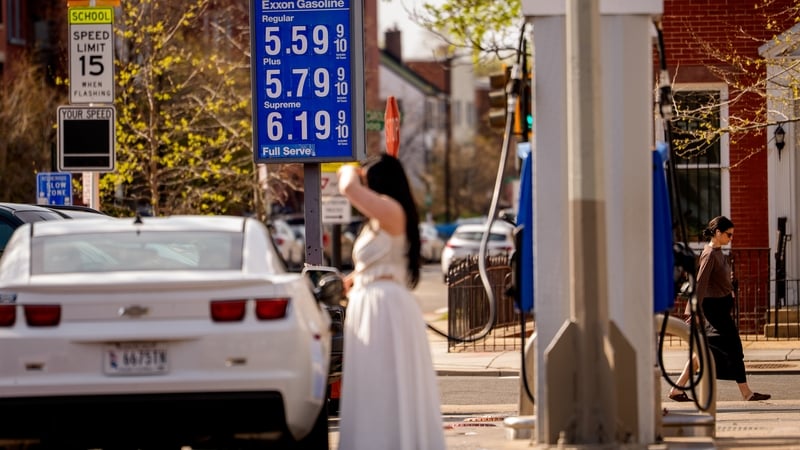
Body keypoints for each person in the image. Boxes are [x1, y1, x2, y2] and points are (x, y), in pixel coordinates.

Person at [336, 154, 446, 450]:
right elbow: (375, 262)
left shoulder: (392, 211)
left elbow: (347, 187)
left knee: (384, 384)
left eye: (369, 181)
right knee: (373, 386)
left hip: (384, 308)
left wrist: (351, 170)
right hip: (369, 304)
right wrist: (354, 280)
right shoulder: (377, 220)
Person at [669, 216, 770, 402]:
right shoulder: (709, 254)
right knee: (733, 348)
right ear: (717, 233)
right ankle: (747, 393)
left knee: (704, 351)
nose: (731, 238)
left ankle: (677, 389)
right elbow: (699, 284)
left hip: (719, 310)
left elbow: (716, 281)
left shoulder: (717, 253)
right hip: (713, 313)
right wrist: (694, 312)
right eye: (728, 234)